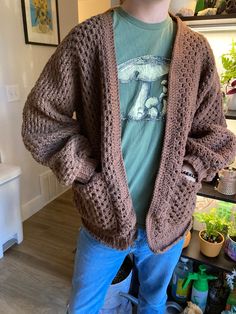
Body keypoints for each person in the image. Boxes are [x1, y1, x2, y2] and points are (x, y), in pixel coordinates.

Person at [21, 0, 236, 313]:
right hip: (102, 219)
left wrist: (189, 172)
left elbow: (213, 133)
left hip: (169, 222)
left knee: (154, 302)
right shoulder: (88, 39)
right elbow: (42, 120)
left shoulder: (196, 50)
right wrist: (85, 171)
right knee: (82, 306)